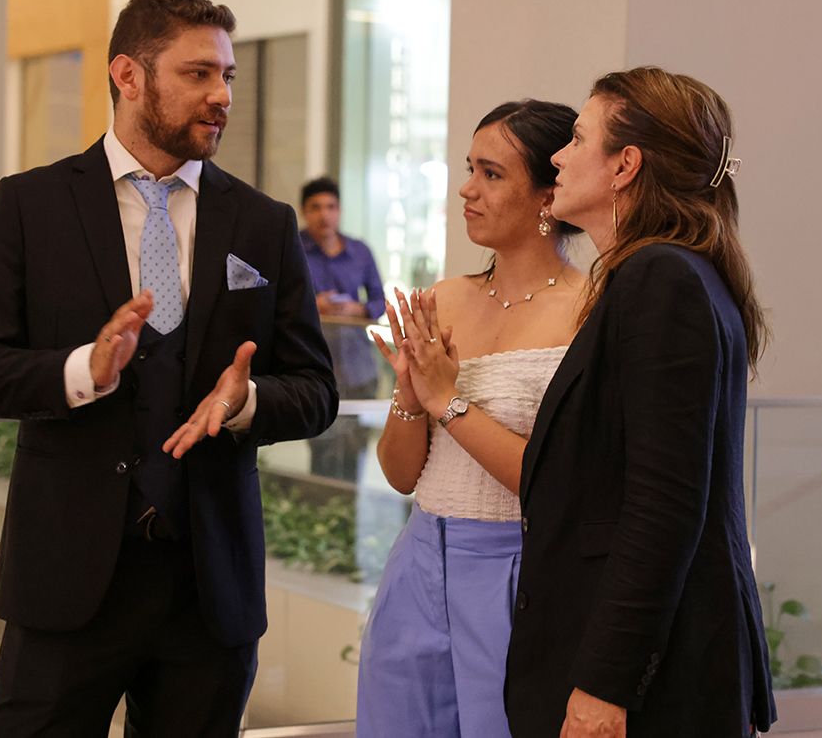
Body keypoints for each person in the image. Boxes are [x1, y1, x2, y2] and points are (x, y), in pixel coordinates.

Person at [0, 0, 338, 736]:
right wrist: (82, 372)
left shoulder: (263, 222)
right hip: (65, 585)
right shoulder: (30, 206)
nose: (222, 95)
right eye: (198, 73)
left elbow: (316, 389)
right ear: (128, 75)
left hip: (209, 594)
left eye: (227, 75)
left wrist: (246, 402)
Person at [506, 68, 776, 738]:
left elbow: (664, 506)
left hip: (654, 680)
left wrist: (605, 684)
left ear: (625, 165)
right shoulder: (666, 271)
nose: (558, 157)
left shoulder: (663, 277)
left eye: (576, 139)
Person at [355, 99, 587, 738]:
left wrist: (447, 402)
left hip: (521, 568)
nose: (467, 189)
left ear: (548, 195)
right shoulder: (444, 299)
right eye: (469, 169)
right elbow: (402, 475)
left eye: (491, 174)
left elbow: (558, 482)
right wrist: (410, 394)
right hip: (420, 558)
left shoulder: (590, 310)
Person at [300, 176, 385, 481]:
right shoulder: (293, 248)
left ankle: (346, 507)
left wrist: (357, 310)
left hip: (358, 367)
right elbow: (275, 300)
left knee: (354, 450)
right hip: (314, 366)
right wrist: (313, 305)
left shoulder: (360, 251)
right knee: (320, 450)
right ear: (304, 211)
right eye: (316, 207)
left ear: (339, 210)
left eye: (331, 206)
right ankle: (320, 507)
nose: (324, 214)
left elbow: (380, 301)